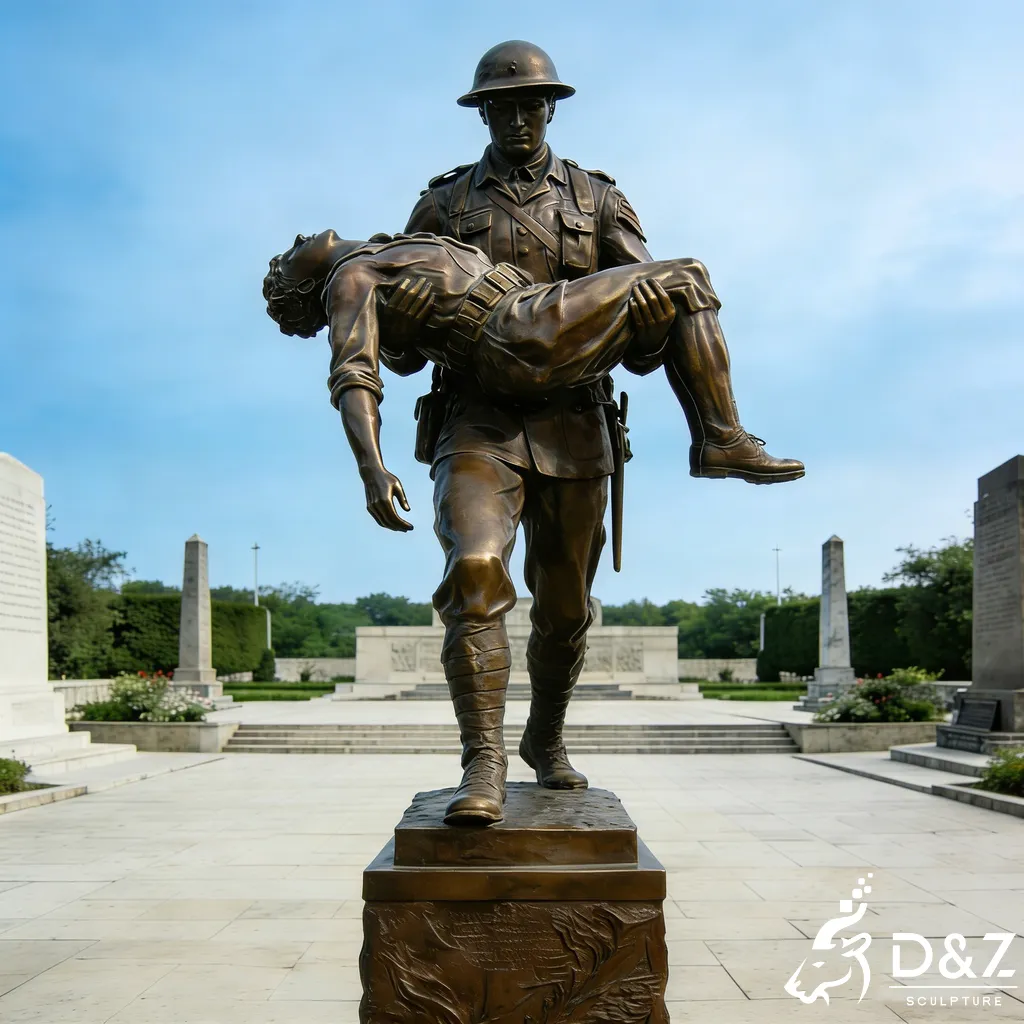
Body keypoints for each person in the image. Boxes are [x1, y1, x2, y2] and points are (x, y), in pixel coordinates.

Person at [262, 227, 804, 824]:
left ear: (548, 121)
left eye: (530, 118)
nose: (297, 237)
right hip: (480, 414)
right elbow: (370, 362)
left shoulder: (592, 198)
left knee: (567, 608)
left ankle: (544, 738)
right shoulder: (391, 243)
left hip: (572, 415)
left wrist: (648, 329)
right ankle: (483, 762)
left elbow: (650, 347)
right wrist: (375, 459)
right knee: (474, 567)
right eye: (289, 255)